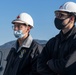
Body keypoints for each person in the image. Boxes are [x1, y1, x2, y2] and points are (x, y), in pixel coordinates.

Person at [37, 1, 76, 75]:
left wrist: (49, 62)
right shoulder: (52, 42)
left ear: (71, 18)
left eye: (61, 15)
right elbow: (40, 66)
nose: (57, 18)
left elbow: (68, 66)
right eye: (56, 14)